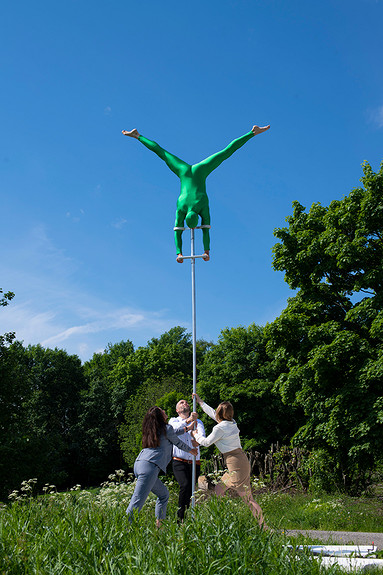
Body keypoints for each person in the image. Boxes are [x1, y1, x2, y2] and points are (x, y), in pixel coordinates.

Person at [122, 125, 270, 262]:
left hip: (189, 171)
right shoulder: (184, 207)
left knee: (163, 153)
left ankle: (138, 136)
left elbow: (184, 232)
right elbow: (188, 231)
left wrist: (183, 253)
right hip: (189, 171)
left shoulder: (191, 207)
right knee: (224, 152)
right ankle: (252, 133)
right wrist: (194, 252)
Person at [191, 393, 266, 528]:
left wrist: (196, 435)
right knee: (219, 489)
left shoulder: (219, 428)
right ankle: (224, 520)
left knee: (248, 498)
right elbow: (214, 414)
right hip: (237, 461)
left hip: (236, 464)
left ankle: (264, 527)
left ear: (220, 414)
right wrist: (201, 402)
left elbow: (206, 442)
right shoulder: (231, 422)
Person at [126, 406, 198, 527]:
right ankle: (125, 529)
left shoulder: (154, 430)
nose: (165, 412)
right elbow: (178, 442)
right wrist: (191, 450)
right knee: (137, 501)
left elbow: (172, 433)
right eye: (162, 411)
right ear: (160, 416)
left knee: (164, 494)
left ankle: (160, 526)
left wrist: (186, 429)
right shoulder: (166, 428)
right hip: (149, 467)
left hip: (141, 463)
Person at [169, 399, 206, 522]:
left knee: (191, 490)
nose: (185, 403)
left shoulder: (198, 422)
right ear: (177, 410)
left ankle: (186, 516)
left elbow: (201, 436)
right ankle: (180, 517)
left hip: (194, 461)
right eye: (181, 403)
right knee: (184, 485)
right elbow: (173, 432)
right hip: (179, 460)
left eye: (186, 402)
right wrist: (188, 421)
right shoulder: (173, 421)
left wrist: (197, 439)